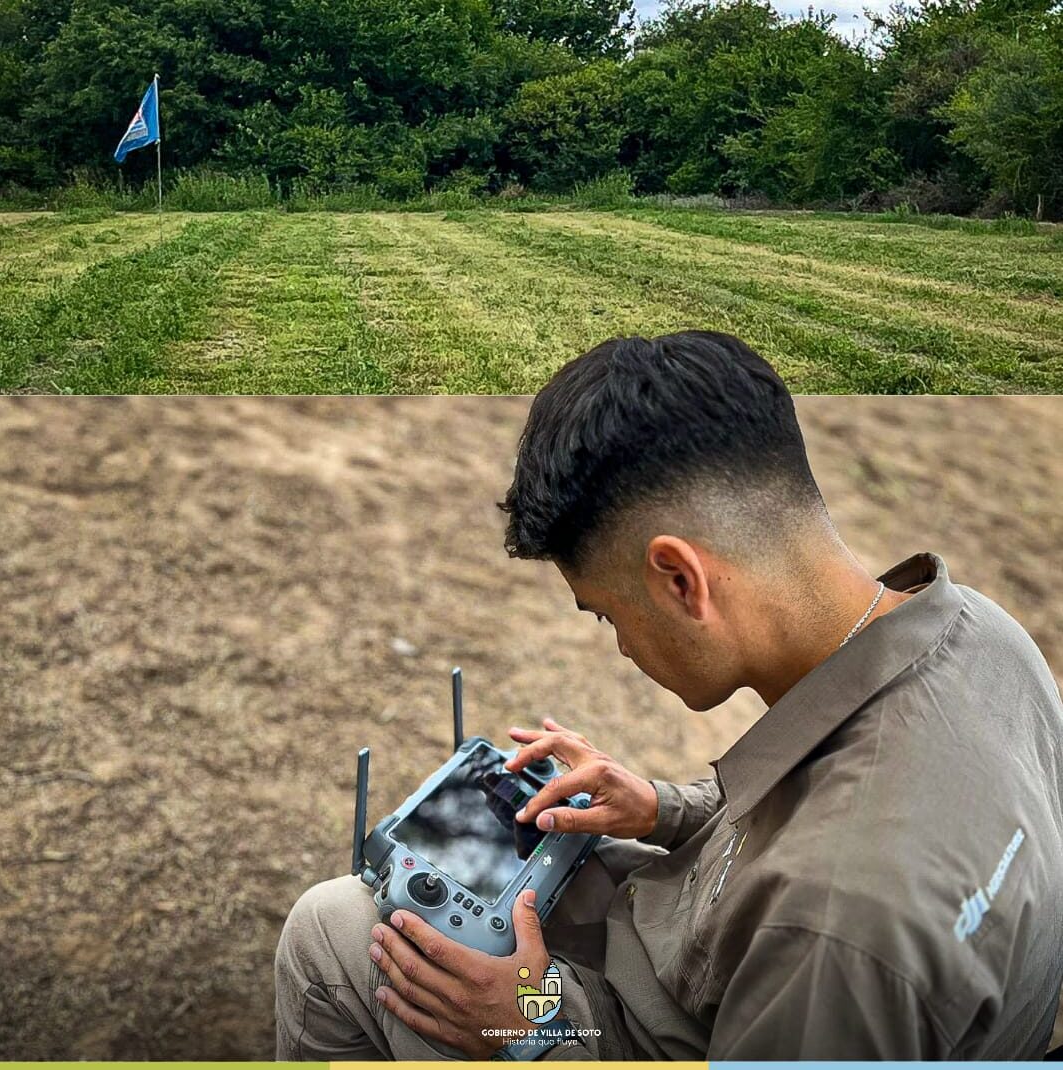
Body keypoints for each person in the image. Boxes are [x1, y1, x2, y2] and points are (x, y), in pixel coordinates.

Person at [274, 331, 1063, 1060]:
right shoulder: (977, 632)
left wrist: (533, 1018)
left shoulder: (837, 928)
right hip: (698, 941)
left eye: (609, 614)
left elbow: (820, 889)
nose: (621, 645)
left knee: (334, 931)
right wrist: (663, 808)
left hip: (642, 1030)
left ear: (680, 580)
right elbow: (822, 807)